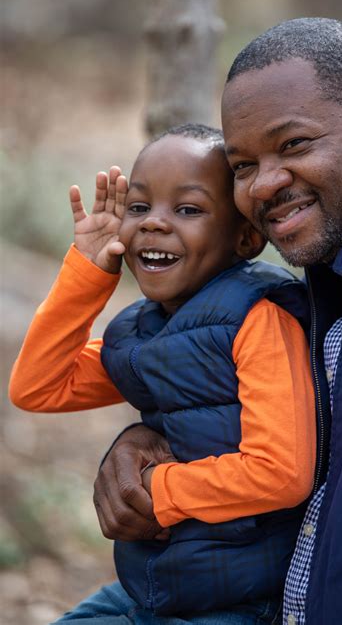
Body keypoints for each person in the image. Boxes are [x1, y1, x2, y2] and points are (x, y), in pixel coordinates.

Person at [95, 19, 342, 625]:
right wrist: (150, 437)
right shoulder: (333, 263)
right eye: (243, 165)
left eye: (293, 145)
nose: (264, 184)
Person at [9, 123, 317, 624]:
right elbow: (39, 387)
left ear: (244, 237)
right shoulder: (144, 332)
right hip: (156, 588)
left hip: (240, 598)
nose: (153, 223)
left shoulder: (259, 319)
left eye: (188, 209)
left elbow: (281, 472)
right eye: (138, 207)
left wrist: (158, 490)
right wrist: (87, 272)